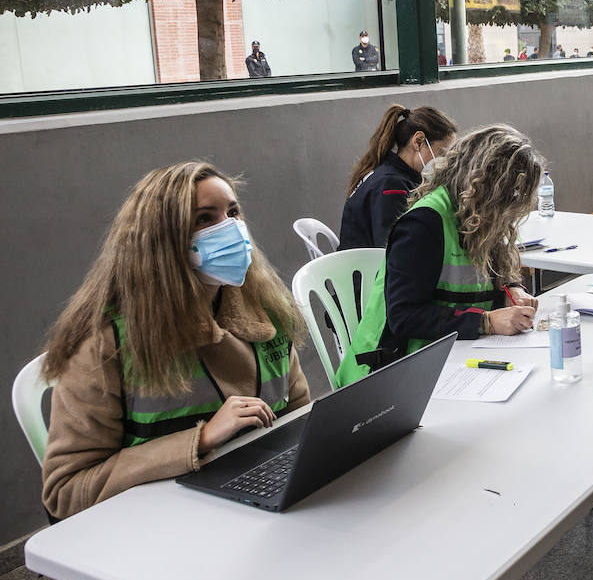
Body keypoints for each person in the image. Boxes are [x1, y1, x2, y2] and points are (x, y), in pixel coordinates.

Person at [41, 163, 310, 519]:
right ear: (161, 240)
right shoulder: (105, 343)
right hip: (154, 527)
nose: (230, 228)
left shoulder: (268, 313)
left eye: (233, 212)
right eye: (204, 218)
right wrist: (200, 439)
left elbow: (301, 421)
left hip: (253, 506)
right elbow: (66, 492)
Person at [336, 124, 544, 387]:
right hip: (388, 373)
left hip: (453, 357)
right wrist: (486, 322)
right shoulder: (424, 223)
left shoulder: (478, 214)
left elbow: (490, 272)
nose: (510, 204)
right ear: (485, 184)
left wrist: (512, 289)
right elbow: (404, 316)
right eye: (508, 193)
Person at [339, 104, 458, 250]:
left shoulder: (389, 171)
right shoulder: (391, 186)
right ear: (418, 141)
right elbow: (392, 246)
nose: (445, 161)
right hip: (366, 262)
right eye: (443, 152)